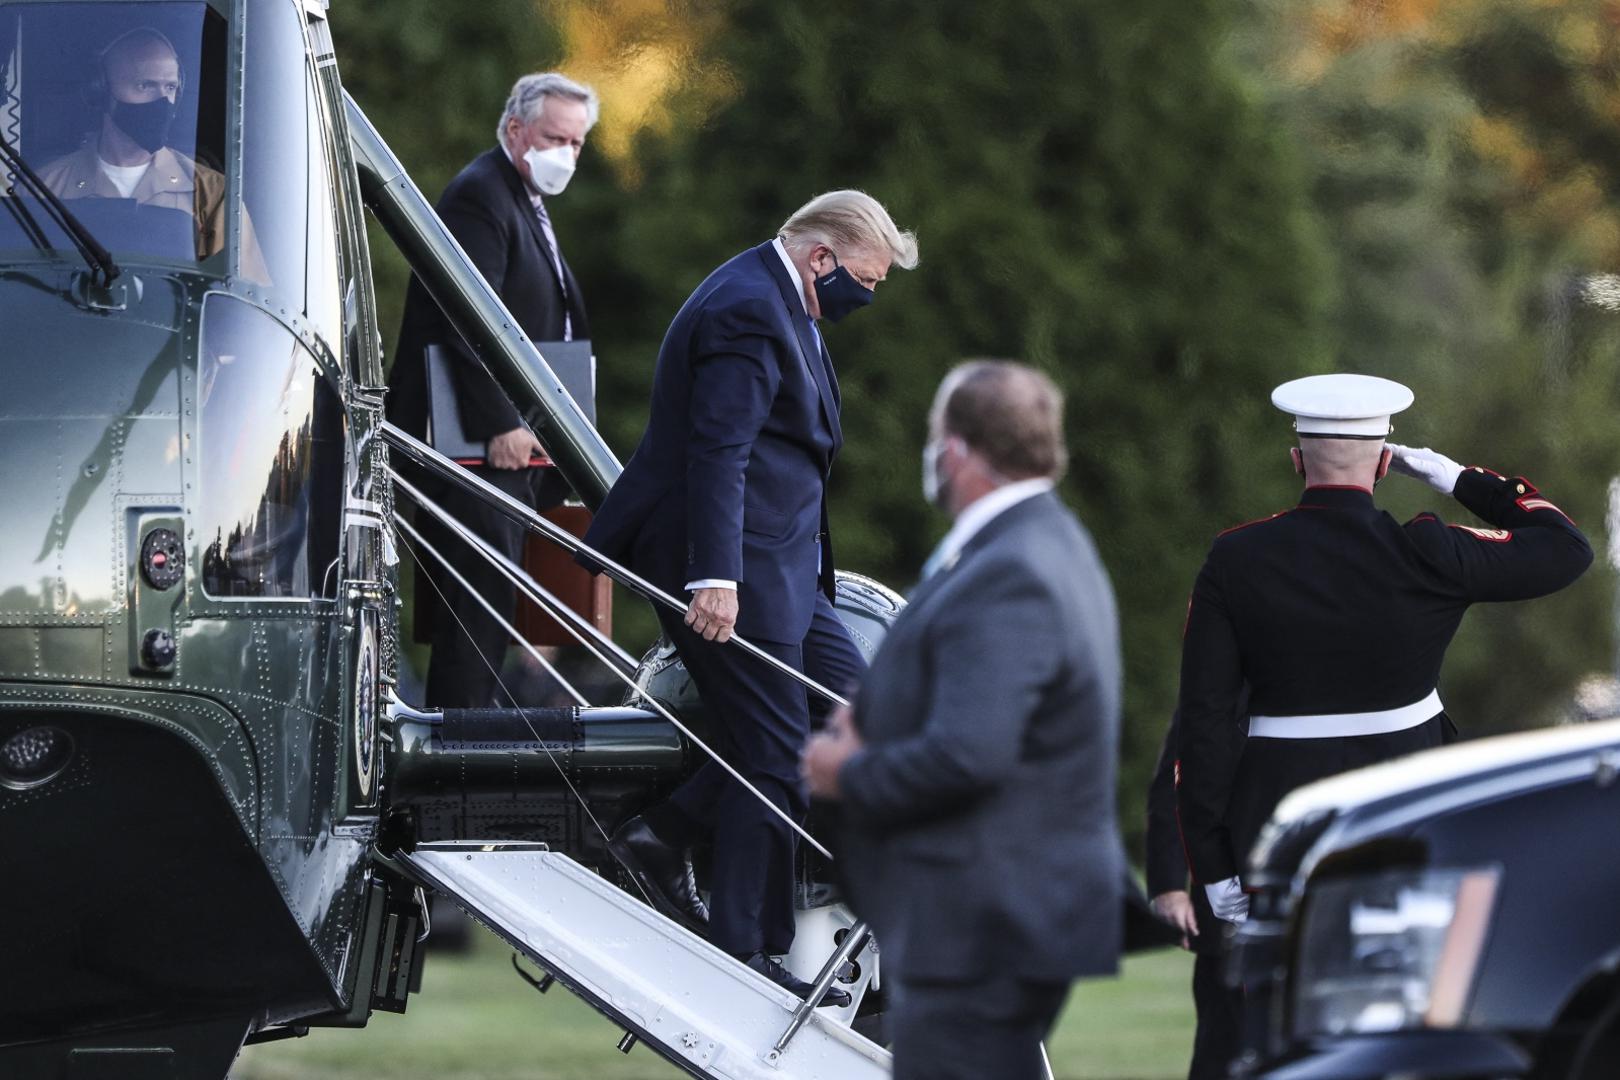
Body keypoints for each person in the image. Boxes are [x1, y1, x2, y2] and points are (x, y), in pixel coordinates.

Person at [583, 190, 918, 1004]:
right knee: (769, 750)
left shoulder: (784, 302)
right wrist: (714, 578)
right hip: (732, 568)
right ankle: (743, 951)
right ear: (821, 258)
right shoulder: (747, 310)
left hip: (789, 571)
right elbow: (719, 451)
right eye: (866, 280)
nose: (868, 297)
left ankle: (665, 833)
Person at [803, 362, 1126, 1080]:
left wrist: (846, 768)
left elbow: (971, 756)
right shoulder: (1037, 542)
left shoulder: (1013, 567)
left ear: (955, 451)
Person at [1176, 372, 1592, 921]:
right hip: (1410, 822)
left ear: (1297, 461)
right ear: (1383, 464)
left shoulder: (1236, 558)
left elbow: (1203, 719)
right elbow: (1566, 549)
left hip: (1278, 835)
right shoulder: (1429, 553)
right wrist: (1458, 478)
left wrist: (1211, 862)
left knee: (1282, 1001)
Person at [387, 72, 596, 708]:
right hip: (480, 446)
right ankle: (458, 752)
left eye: (577, 142)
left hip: (519, 446)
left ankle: (470, 731)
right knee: (476, 609)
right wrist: (501, 420)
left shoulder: (523, 199)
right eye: (555, 137)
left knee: (495, 608)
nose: (567, 153)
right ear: (515, 130)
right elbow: (463, 315)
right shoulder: (482, 195)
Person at [38, 27, 238, 264]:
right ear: (101, 91)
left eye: (170, 87)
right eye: (145, 86)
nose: (162, 101)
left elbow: (234, 292)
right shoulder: (45, 188)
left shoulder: (212, 194)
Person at [1145, 709, 1244, 1080]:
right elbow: (1177, 776)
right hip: (1227, 904)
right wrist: (1169, 885)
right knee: (1220, 1054)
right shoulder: (1231, 669)